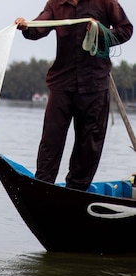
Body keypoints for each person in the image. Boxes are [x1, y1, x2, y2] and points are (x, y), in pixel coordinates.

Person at [15, 0, 133, 191]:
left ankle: (75, 190)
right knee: (51, 140)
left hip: (95, 84)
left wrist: (101, 31)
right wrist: (26, 26)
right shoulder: (56, 4)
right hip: (62, 83)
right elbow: (39, 27)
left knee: (89, 145)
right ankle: (42, 187)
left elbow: (126, 30)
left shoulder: (105, 2)